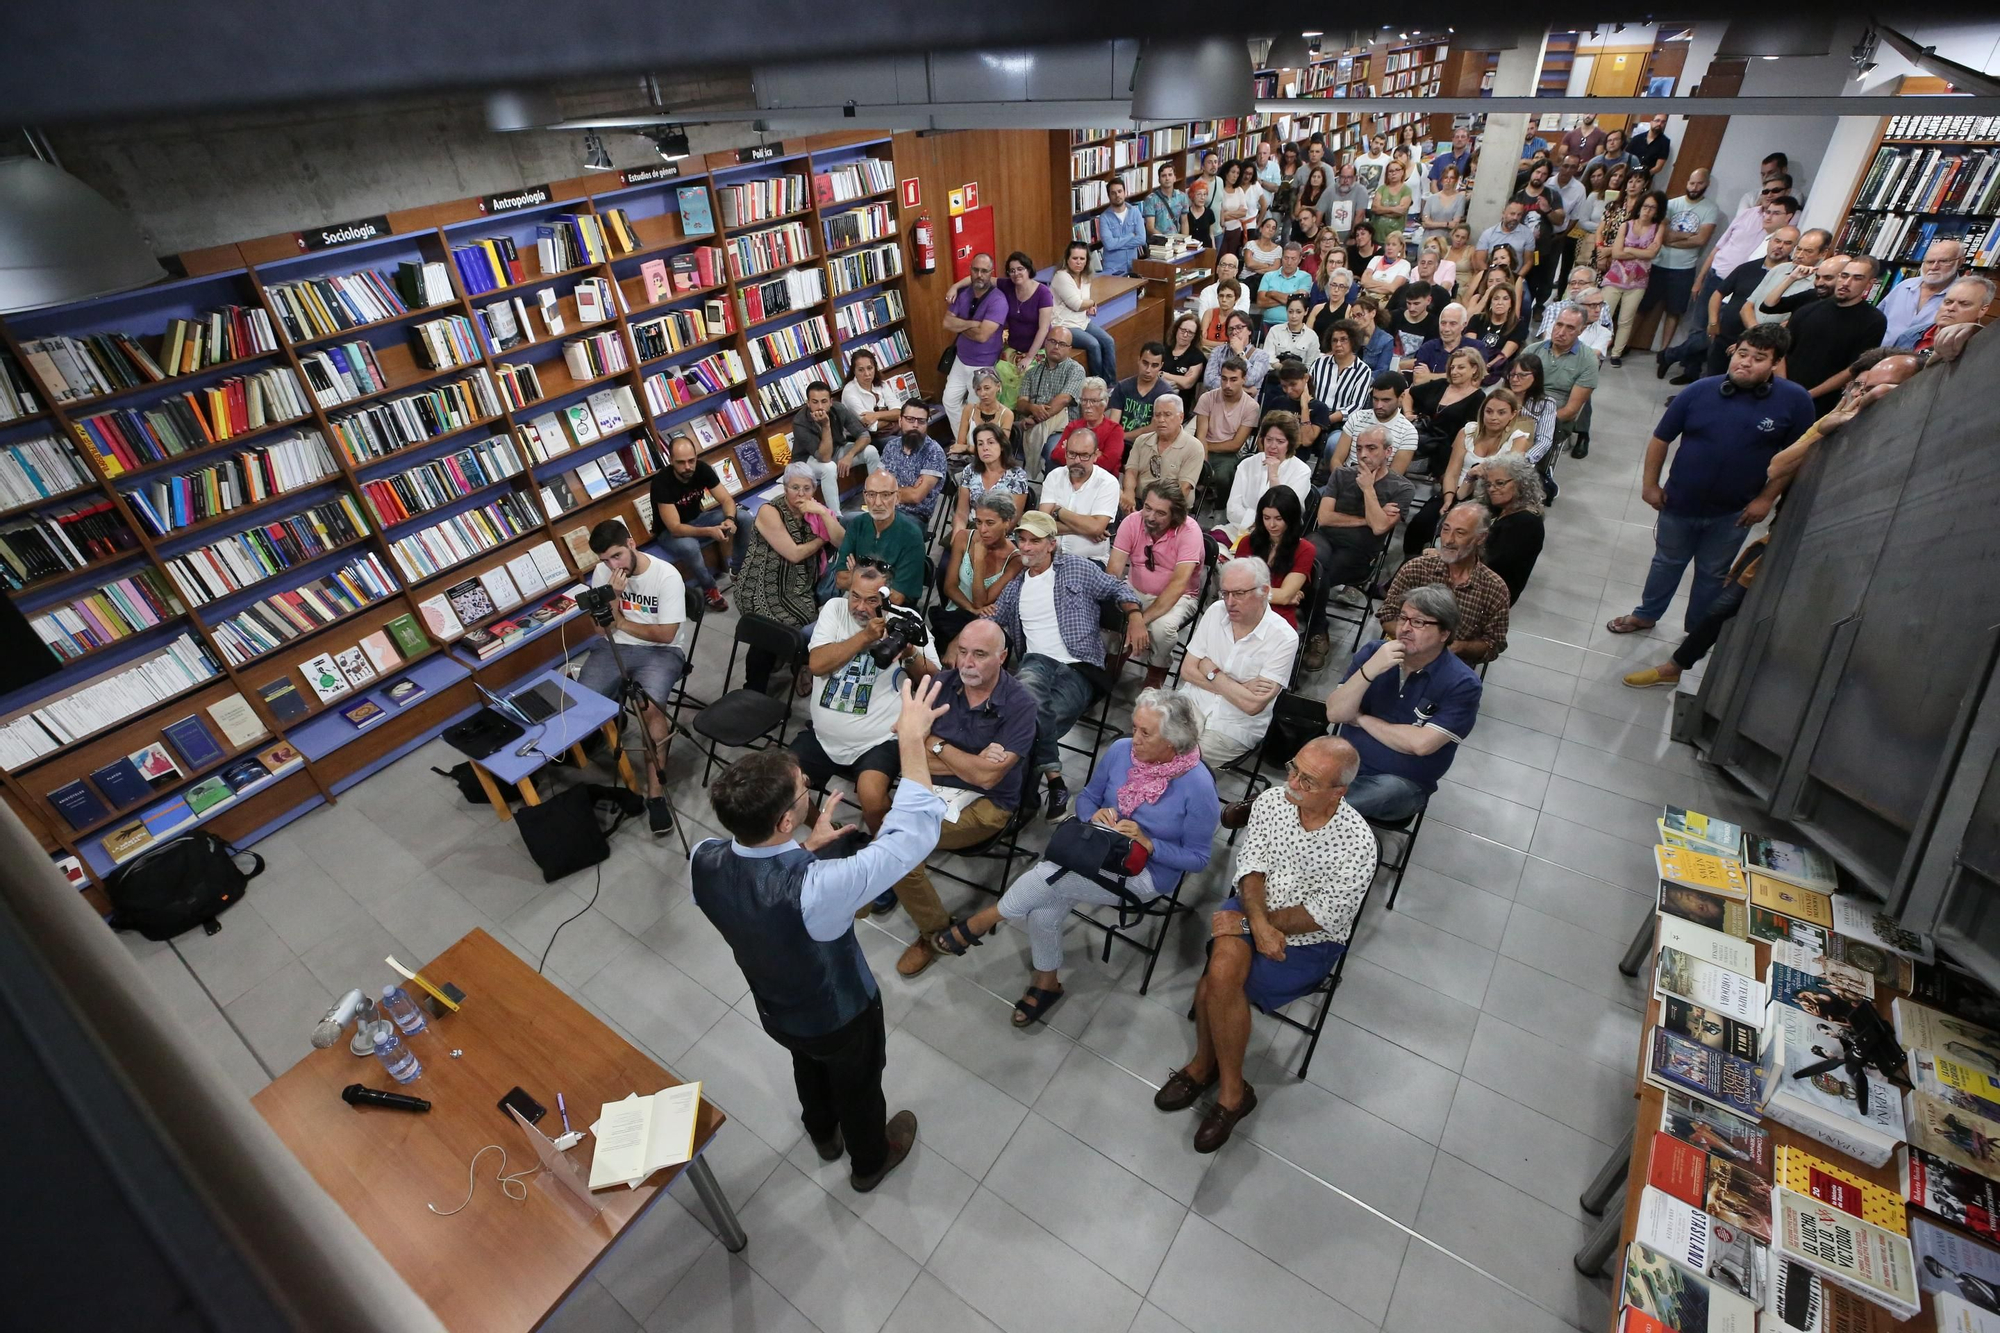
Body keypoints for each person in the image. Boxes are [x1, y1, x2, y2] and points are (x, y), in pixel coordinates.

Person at [691, 677, 948, 1194]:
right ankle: (871, 1159)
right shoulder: (819, 888)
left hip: (775, 1007)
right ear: (786, 819)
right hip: (840, 1014)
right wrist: (911, 740)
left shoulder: (704, 858)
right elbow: (910, 835)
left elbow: (759, 888)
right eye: (805, 789)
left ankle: (822, 1133)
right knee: (859, 1087)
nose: (810, 790)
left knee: (805, 1065)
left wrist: (804, 849)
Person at [1624, 352, 1924, 688]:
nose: (1864, 395)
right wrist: (1826, 428)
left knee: (1723, 586)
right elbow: (1778, 466)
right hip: (1795, 533)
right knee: (1720, 597)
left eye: (1881, 389)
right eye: (1860, 387)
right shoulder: (1837, 419)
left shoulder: (1912, 438)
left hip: (1857, 554)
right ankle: (1676, 662)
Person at [931, 688, 1218, 1025]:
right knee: (1047, 897)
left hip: (1145, 872)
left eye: (1145, 732)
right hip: (1095, 844)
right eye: (1134, 726)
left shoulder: (1198, 788)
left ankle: (986, 920)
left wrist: (1149, 843)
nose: (1134, 738)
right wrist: (1092, 816)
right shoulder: (1122, 751)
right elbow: (1087, 799)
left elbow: (1198, 858)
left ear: (1172, 743)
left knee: (1050, 879)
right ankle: (1045, 982)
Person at [1159, 735, 1376, 1152]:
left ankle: (1208, 1071)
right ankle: (1230, 1091)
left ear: (1339, 792)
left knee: (1218, 978)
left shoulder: (1358, 845)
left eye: (1308, 780)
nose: (1292, 782)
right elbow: (1252, 864)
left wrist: (1249, 925)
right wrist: (1254, 923)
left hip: (1309, 940)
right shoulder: (1274, 801)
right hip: (1253, 909)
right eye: (1293, 768)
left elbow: (1322, 916)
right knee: (1223, 969)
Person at [1607, 324, 1815, 636]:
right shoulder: (1698, 391)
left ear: (1775, 364)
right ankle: (1646, 614)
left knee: (1713, 573)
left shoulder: (1795, 401)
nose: (1745, 362)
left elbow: (1796, 456)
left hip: (1734, 512)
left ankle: (1697, 630)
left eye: (1759, 358)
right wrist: (1650, 485)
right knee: (1666, 563)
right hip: (1678, 503)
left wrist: (1765, 499)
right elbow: (1660, 439)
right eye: (1742, 354)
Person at [880, 619, 1038, 975]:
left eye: (979, 655)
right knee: (894, 848)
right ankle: (932, 921)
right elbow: (909, 750)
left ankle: (933, 935)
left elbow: (988, 777)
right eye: (962, 652)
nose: (967, 663)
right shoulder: (939, 684)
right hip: (933, 788)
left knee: (897, 853)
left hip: (988, 805)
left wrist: (932, 745)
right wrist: (959, 757)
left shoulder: (1021, 705)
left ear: (1002, 657)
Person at [989, 510, 1143, 820]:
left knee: (1026, 722)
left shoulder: (1076, 569)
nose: (1027, 547)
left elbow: (1118, 589)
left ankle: (1024, 801)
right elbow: (992, 621)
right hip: (1036, 664)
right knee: (1027, 696)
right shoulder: (1016, 586)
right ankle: (1054, 780)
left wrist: (1136, 616)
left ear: (1051, 544)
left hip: (1080, 668)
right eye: (1022, 540)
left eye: (1035, 541)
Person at [793, 560, 939, 858]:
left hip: (878, 739)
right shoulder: (834, 609)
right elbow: (817, 664)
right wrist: (866, 637)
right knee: (783, 783)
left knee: (872, 795)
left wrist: (908, 651)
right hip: (823, 735)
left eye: (871, 600)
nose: (859, 606)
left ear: (889, 597)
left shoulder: (907, 618)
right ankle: (828, 833)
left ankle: (883, 854)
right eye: (855, 596)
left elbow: (934, 679)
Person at [1327, 584, 1484, 820]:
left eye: (1419, 622)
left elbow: (1420, 744)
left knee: (1343, 800)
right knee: (1307, 767)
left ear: (1445, 633)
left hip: (1401, 784)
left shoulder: (1463, 683)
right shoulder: (1374, 653)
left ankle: (1314, 815)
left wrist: (1361, 718)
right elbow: (1336, 713)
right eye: (1403, 618)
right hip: (1345, 763)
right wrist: (1370, 670)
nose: (1406, 628)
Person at [577, 519, 687, 836]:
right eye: (605, 560)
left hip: (661, 652)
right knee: (585, 703)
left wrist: (621, 623)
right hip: (615, 647)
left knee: (650, 708)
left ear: (631, 544)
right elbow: (601, 629)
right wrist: (612, 597)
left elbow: (666, 635)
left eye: (617, 556)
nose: (613, 565)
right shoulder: (604, 575)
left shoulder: (666, 576)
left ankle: (655, 795)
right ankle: (613, 723)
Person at [1303, 426, 1413, 671]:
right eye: (1359, 448)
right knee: (1308, 557)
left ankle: (1316, 630)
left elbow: (1379, 529)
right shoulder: (1341, 474)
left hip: (1359, 552)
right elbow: (1325, 518)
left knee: (1316, 575)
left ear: (1388, 452)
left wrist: (1368, 489)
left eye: (1371, 448)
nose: (1363, 454)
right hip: (1326, 539)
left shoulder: (1401, 488)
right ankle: (1316, 627)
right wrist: (1367, 519)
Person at [1182, 556, 1299, 765]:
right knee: (1150, 745)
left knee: (1181, 763)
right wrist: (1239, 687)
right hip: (1190, 706)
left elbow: (1251, 705)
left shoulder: (1284, 638)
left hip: (1234, 726)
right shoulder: (1215, 611)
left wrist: (1211, 670)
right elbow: (1187, 670)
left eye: (1239, 594)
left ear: (1263, 591)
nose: (1229, 602)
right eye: (1225, 593)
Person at [740, 462, 844, 695]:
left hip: (799, 586)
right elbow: (794, 554)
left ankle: (797, 664)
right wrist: (821, 540)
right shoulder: (770, 511)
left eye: (807, 488)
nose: (800, 494)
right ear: (785, 488)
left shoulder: (815, 510)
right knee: (770, 626)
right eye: (794, 487)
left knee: (806, 620)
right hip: (760, 582)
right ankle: (755, 687)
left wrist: (821, 513)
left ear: (814, 489)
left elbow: (841, 541)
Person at [1679, 225, 1813, 382]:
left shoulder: (1793, 277)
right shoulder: (1747, 267)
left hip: (1760, 345)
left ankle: (1668, 356)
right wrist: (1713, 321)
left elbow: (1789, 319)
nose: (1780, 246)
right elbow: (1724, 296)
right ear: (1770, 241)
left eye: (1787, 243)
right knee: (1711, 376)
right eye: (1777, 241)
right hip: (1726, 334)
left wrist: (1750, 341)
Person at [1378, 506, 1510, 664]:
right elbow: (1386, 616)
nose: (1448, 540)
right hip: (1403, 655)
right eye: (1446, 529)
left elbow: (1493, 644)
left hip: (1452, 666)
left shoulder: (1494, 588)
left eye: (1460, 533)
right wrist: (1418, 641)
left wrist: (1461, 647)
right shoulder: (1416, 568)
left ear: (1480, 538)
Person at [1406, 387, 1530, 554]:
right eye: (1489, 411)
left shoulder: (1519, 440)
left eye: (1501, 413)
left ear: (1512, 414)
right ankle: (1411, 562)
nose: (1493, 417)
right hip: (1456, 490)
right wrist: (1449, 498)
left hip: (1488, 498)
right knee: (1421, 522)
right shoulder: (1467, 432)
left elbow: (1506, 478)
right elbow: (1452, 471)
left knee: (1466, 534)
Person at [1106, 481, 1204, 686]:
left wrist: (1141, 619)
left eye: (1160, 513)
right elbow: (1114, 572)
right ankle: (1115, 655)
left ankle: (1156, 671)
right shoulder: (1132, 522)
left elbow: (1178, 585)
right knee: (1108, 609)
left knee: (1162, 628)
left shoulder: (1189, 531)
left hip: (1179, 597)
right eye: (1147, 508)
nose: (1150, 517)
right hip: (1134, 588)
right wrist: (1131, 611)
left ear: (1175, 515)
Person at [648, 433, 747, 612]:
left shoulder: (702, 469)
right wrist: (710, 531)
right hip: (669, 533)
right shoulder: (661, 483)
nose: (688, 467)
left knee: (744, 517)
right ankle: (710, 588)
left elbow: (727, 500)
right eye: (681, 462)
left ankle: (738, 569)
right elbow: (675, 528)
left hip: (699, 520)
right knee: (689, 546)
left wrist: (729, 520)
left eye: (691, 461)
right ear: (671, 460)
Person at [1784, 256, 1889, 414]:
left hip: (1820, 403)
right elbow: (1780, 351)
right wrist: (1782, 387)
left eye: (1857, 278)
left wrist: (1807, 395)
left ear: (1869, 283)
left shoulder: (1874, 321)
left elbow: (1853, 368)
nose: (1846, 283)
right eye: (1844, 275)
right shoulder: (1807, 310)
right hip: (1783, 392)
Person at [933, 491, 1021, 654]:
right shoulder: (963, 537)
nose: (982, 529)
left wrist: (979, 560)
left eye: (990, 523)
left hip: (987, 626)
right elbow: (949, 587)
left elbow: (980, 602)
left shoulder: (1015, 560)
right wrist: (970, 608)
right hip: (954, 616)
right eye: (978, 522)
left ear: (1007, 522)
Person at [827, 471, 926, 606]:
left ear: (897, 497)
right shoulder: (857, 524)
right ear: (864, 496)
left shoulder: (912, 535)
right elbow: (840, 580)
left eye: (885, 495)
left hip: (889, 614)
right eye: (872, 495)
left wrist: (857, 574)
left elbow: (897, 598)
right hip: (855, 605)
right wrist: (885, 582)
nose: (877, 503)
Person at [940, 252, 1008, 444]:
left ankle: (974, 450)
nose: (979, 275)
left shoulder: (998, 300)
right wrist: (972, 324)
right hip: (960, 360)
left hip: (983, 365)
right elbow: (946, 322)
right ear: (970, 270)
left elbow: (983, 335)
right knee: (949, 401)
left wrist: (960, 326)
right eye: (976, 270)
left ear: (991, 273)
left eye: (984, 271)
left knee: (974, 409)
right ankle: (963, 443)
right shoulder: (964, 293)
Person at [1219, 410, 1312, 546]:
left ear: (1290, 443)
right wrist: (1256, 522)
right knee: (1210, 545)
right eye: (1269, 440)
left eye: (1280, 441)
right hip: (1240, 529)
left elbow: (1285, 515)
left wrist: (1274, 476)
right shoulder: (1247, 464)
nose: (1272, 446)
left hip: (1278, 538)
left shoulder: (1302, 471)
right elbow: (1232, 509)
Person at [1519, 305, 1598, 458]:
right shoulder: (1532, 351)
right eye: (1559, 325)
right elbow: (1514, 389)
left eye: (1570, 328)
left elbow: (1571, 410)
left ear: (1581, 331)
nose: (1561, 332)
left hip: (1556, 418)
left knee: (1522, 445)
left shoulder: (1588, 360)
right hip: (1523, 410)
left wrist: (1536, 423)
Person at [1598, 189, 1666, 365]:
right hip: (1615, 276)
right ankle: (1597, 349)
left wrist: (1629, 249)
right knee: (1603, 316)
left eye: (1652, 207)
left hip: (1638, 281)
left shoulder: (1658, 228)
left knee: (1626, 320)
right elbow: (1617, 252)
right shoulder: (1626, 225)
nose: (1647, 210)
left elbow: (1652, 253)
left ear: (1657, 211)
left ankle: (1616, 354)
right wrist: (1638, 252)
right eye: (1645, 206)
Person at [791, 379, 879, 513]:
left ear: (831, 402)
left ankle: (875, 502)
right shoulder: (800, 422)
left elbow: (864, 435)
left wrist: (849, 456)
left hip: (836, 450)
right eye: (815, 402)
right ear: (808, 403)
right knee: (829, 467)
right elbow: (824, 458)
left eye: (824, 401)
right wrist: (826, 425)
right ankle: (836, 517)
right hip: (806, 461)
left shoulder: (838, 409)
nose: (820, 407)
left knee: (871, 451)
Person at [1469, 451, 1545, 602]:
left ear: (1520, 483)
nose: (1491, 489)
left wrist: (1446, 559)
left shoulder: (1526, 522)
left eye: (1500, 483)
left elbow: (1493, 565)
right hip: (1474, 579)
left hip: (1488, 595)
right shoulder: (1500, 510)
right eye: (1488, 484)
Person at [1037, 428, 1120, 563]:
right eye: (1072, 454)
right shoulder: (1054, 476)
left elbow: (1096, 528)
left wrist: (1059, 511)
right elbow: (1042, 525)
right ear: (1065, 453)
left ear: (1095, 455)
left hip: (1090, 561)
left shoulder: (1108, 483)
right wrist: (1086, 529)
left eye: (1084, 455)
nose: (1077, 460)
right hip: (1050, 557)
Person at [1404, 347, 1487, 481]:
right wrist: (1408, 413)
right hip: (1418, 438)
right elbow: (1408, 393)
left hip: (1445, 449)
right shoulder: (1440, 385)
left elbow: (1469, 433)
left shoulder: (1478, 398)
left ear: (1474, 369)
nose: (1454, 372)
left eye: (1460, 367)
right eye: (1452, 367)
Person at [1236, 485, 1312, 627]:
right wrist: (1280, 596)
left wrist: (1284, 597)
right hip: (1243, 610)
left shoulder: (1305, 549)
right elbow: (1235, 587)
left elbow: (1284, 596)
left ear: (1291, 518)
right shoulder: (1247, 542)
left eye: (1279, 518)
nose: (1271, 525)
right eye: (1266, 518)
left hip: (1278, 617)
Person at [1015, 335, 1085, 476]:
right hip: (1032, 426)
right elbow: (1021, 403)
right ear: (1045, 343)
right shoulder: (1032, 373)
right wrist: (1031, 408)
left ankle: (1050, 495)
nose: (1056, 346)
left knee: (1054, 453)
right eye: (1052, 341)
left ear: (1070, 349)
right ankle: (1014, 490)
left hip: (1062, 430)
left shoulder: (1076, 370)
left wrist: (1035, 419)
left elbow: (1064, 399)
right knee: (1000, 439)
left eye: (1062, 343)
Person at [1120, 392, 1202, 510]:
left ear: (1181, 417)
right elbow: (1131, 471)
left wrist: (1154, 510)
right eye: (1157, 415)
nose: (1161, 420)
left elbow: (1184, 488)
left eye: (1167, 415)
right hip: (1138, 502)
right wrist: (1128, 493)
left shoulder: (1194, 447)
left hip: (1173, 507)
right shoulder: (1141, 441)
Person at [875, 398, 948, 528]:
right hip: (884, 509)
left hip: (914, 517)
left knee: (880, 530)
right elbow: (875, 486)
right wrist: (906, 490)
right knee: (849, 521)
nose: (915, 425)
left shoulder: (934, 452)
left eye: (921, 421)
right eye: (910, 419)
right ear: (900, 421)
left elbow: (915, 496)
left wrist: (886, 492)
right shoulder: (891, 446)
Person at [1193, 355, 1260, 496]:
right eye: (1224, 379)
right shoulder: (1207, 398)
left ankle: (1221, 509)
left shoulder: (1251, 407)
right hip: (1201, 449)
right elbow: (1201, 435)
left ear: (1244, 379)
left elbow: (1235, 445)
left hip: (1228, 454)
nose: (1227, 385)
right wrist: (1203, 462)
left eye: (1233, 379)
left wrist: (1206, 446)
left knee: (1225, 475)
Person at [1051, 241, 1118, 381]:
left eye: (1082, 259)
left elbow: (1083, 300)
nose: (1078, 262)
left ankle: (1110, 384)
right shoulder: (1061, 276)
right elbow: (1076, 304)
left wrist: (1089, 306)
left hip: (1082, 322)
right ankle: (1096, 383)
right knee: (1093, 344)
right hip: (1065, 325)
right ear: (1067, 259)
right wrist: (1091, 303)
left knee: (1108, 341)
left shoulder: (1086, 277)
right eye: (1075, 258)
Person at [1883, 238, 1968, 348]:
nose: (1934, 267)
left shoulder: (1963, 296)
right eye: (1930, 262)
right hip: (1880, 358)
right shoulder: (1904, 286)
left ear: (1960, 262)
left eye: (1944, 261)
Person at [951, 421, 1030, 535]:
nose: (985, 448)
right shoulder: (970, 471)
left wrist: (982, 539)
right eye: (980, 444)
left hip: (1000, 536)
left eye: (991, 442)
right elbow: (961, 513)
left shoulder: (1017, 476)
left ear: (1002, 446)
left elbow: (1011, 521)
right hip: (970, 530)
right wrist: (959, 537)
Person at [1331, 372, 1420, 471]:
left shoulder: (1408, 432)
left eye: (1386, 400)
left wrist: (1367, 486)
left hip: (1380, 484)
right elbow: (1336, 460)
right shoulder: (1357, 418)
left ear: (1401, 397)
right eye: (1375, 399)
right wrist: (1341, 481)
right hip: (1346, 477)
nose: (1379, 406)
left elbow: (1395, 478)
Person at [1309, 319, 1376, 446]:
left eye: (1343, 339)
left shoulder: (1363, 371)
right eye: (1334, 340)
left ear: (1353, 341)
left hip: (1341, 424)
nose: (1338, 344)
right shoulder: (1319, 363)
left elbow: (1356, 406)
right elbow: (1307, 391)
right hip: (1313, 417)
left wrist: (1327, 420)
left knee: (1333, 444)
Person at [1047, 375, 1126, 477]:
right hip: (1071, 479)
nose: (1088, 405)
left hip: (1101, 483)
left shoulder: (1115, 430)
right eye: (1084, 400)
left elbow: (1107, 464)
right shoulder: (1073, 426)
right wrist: (1092, 456)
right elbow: (1055, 454)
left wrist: (1070, 454)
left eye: (1093, 401)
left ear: (1105, 403)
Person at [1258, 358, 1332, 463]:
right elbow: (1261, 438)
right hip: (1269, 458)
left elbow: (1306, 440)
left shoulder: (1320, 408)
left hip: (1296, 461)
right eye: (1284, 386)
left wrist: (1304, 407)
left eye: (1293, 384)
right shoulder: (1277, 402)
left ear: (1305, 378)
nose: (1288, 390)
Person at [993, 250, 1054, 366]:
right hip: (1013, 347)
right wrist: (955, 287)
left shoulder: (1043, 293)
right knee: (999, 374)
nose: (1016, 273)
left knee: (1026, 375)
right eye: (1012, 271)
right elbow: (984, 279)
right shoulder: (1008, 286)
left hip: (1038, 350)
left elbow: (1044, 329)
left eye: (1020, 269)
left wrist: (1029, 357)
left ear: (1028, 269)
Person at [1911, 275, 1996, 353]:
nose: (1951, 308)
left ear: (1982, 310)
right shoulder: (1909, 335)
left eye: (1964, 304)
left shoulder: (1985, 350)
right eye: (1948, 302)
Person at [1467, 284, 1530, 382]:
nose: (1500, 303)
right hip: (1472, 366)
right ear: (1490, 302)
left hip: (1498, 371)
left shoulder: (1518, 326)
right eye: (1496, 299)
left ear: (1511, 304)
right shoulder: (1477, 319)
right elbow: (1469, 348)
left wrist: (1485, 367)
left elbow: (1503, 356)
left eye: (1505, 299)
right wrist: (1475, 367)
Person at [841, 346, 906, 437]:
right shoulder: (849, 392)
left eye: (870, 368)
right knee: (897, 443)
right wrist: (890, 415)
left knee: (914, 434)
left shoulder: (881, 384)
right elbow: (872, 427)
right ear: (854, 371)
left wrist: (876, 415)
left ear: (875, 368)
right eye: (861, 370)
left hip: (890, 429)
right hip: (865, 437)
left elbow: (900, 412)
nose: (867, 374)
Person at [1204, 310, 1272, 394]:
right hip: (1218, 402)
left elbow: (1250, 380)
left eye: (1239, 328)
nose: (1234, 332)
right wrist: (1245, 390)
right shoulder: (1218, 351)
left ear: (1249, 330)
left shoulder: (1261, 356)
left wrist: (1240, 352)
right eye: (1230, 329)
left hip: (1245, 405)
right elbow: (1209, 381)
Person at [1110, 341, 1169, 436]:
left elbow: (1154, 431)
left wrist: (1121, 437)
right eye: (1145, 363)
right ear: (1138, 360)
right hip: (1120, 444)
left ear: (1161, 366)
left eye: (1154, 365)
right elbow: (1113, 424)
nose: (1148, 370)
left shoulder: (1166, 395)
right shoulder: (1122, 387)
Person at [954, 368, 1013, 456]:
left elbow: (1001, 448)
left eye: (987, 388)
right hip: (969, 460)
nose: (982, 393)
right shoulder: (969, 409)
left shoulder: (1007, 414)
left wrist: (968, 448)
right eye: (978, 389)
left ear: (998, 386)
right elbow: (960, 444)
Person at [1408, 300, 1472, 381]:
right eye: (1443, 323)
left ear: (1464, 325)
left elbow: (1474, 380)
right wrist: (1457, 376)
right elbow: (1418, 380)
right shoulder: (1427, 347)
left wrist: (1429, 376)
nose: (1446, 329)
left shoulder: (1475, 348)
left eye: (1453, 324)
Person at [1474, 201, 1537, 283]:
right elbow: (1479, 261)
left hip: (1516, 277)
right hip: (1491, 278)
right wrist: (1491, 277)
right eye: (1512, 214)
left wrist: (1516, 278)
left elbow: (1528, 262)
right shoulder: (1488, 234)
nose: (1515, 218)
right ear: (1503, 213)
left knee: (1526, 296)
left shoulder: (1527, 234)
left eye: (1519, 215)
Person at [1256, 242, 1315, 327]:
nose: (1289, 262)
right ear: (1281, 258)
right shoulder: (1268, 276)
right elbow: (1260, 302)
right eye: (1286, 258)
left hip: (1293, 325)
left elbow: (1300, 302)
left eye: (1293, 259)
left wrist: (1273, 293)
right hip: (1268, 324)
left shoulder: (1305, 277)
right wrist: (1292, 297)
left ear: (1299, 260)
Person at [1370, 159, 1414, 247]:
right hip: (1376, 237)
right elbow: (1375, 209)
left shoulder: (1406, 190)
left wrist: (1382, 211)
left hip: (1394, 239)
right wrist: (1393, 209)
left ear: (1403, 172)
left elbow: (1401, 211)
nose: (1393, 173)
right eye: (1390, 171)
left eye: (1397, 170)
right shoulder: (1381, 189)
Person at [1141, 162, 1190, 239]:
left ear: (1174, 178)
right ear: (1159, 180)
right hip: (1159, 243)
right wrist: (1166, 240)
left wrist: (1185, 241)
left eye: (1170, 175)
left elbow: (1184, 222)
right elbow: (1150, 227)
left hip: (1177, 241)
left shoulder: (1182, 196)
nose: (1167, 178)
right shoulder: (1151, 199)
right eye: (1163, 176)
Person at [1162, 313, 1206, 394]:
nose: (1185, 335)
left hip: (1182, 401)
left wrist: (1162, 374)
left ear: (1194, 336)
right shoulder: (1164, 349)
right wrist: (1179, 380)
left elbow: (1186, 383)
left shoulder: (1197, 356)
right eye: (1183, 330)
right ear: (1176, 329)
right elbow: (1152, 375)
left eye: (1190, 333)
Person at [1422, 165, 1467, 246]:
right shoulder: (1432, 198)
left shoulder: (1460, 199)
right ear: (1442, 179)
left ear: (1456, 180)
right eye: (1446, 177)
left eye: (1452, 178)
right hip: (1428, 239)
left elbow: (1454, 224)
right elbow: (1426, 222)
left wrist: (1433, 224)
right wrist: (1446, 224)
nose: (1448, 180)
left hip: (1446, 241)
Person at [1361, 231, 1412, 300]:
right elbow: (1364, 281)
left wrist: (1370, 284)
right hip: (1367, 297)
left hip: (1387, 300)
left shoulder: (1405, 264)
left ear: (1401, 247)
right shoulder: (1376, 259)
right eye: (1388, 244)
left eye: (1394, 245)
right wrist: (1386, 285)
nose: (1389, 248)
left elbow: (1393, 289)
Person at [1324, 163, 1372, 236]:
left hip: (1351, 236)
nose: (1345, 180)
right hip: (1331, 236)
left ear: (1355, 178)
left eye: (1349, 177)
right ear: (1339, 177)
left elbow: (1360, 215)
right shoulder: (1330, 189)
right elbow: (1319, 211)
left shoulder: (1361, 190)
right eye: (1343, 177)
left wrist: (1353, 237)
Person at [1194, 251, 1244, 321]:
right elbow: (1202, 318)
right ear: (1217, 269)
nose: (1226, 269)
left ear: (1236, 272)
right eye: (1223, 265)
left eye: (1230, 266)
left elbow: (1243, 316)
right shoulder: (1206, 291)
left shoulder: (1244, 289)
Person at [1242, 216, 1285, 284]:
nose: (1270, 229)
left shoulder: (1278, 249)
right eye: (1268, 226)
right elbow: (1249, 264)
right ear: (1261, 229)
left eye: (1273, 228)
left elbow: (1275, 269)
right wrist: (1267, 265)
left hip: (1266, 282)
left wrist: (1258, 270)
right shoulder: (1250, 244)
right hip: (1247, 279)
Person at [1630, 114, 1673, 178]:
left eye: (1663, 122)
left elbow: (1658, 167)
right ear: (1651, 122)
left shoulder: (1665, 142)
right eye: (1657, 120)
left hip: (1646, 176)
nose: (1659, 124)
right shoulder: (1637, 138)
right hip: (1629, 173)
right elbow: (1626, 157)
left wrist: (1644, 176)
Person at [1185, 177, 1216, 249]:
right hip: (1191, 250)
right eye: (1199, 194)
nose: (1202, 197)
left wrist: (1213, 249)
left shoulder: (1209, 213)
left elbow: (1211, 234)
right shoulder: (1186, 213)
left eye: (1205, 194)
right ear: (1192, 196)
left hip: (1206, 249)